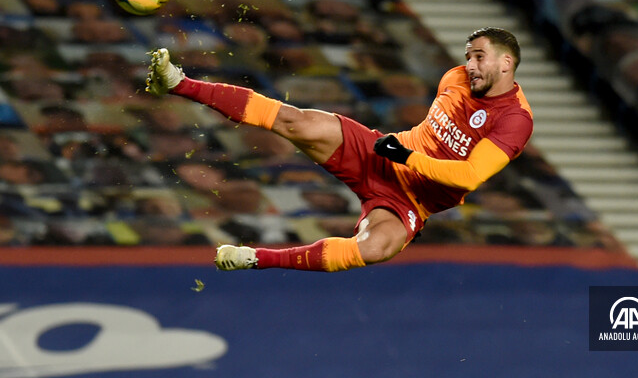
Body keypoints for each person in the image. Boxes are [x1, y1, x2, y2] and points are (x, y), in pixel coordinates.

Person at [145, 27, 533, 272]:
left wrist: (406, 157)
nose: (469, 64)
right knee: (299, 122)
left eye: (479, 57)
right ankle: (177, 82)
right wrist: (399, 153)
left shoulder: (516, 120)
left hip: (413, 200)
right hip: (381, 154)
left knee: (377, 249)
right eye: (468, 56)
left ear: (506, 62)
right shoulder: (456, 78)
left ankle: (254, 258)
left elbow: (467, 176)